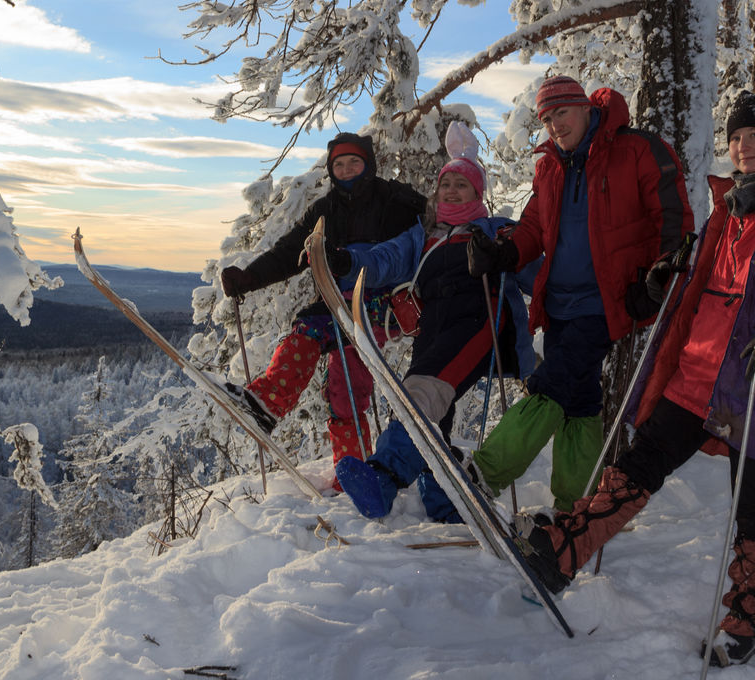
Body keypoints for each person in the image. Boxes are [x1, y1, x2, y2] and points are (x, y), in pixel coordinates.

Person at [516, 91, 755, 667]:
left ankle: (748, 619)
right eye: (736, 138)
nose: (743, 146)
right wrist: (667, 279)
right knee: (638, 465)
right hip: (699, 372)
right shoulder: (726, 213)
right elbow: (704, 287)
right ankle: (562, 556)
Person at [465, 75, 694, 511]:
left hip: (608, 301)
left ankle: (485, 474)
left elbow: (672, 216)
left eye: (561, 113)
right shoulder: (550, 164)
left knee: (552, 383)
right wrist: (503, 253)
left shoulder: (636, 150)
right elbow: (534, 226)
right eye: (546, 119)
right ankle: (576, 504)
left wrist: (660, 276)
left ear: (586, 107)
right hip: (559, 303)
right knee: (580, 398)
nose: (554, 126)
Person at [329, 122, 536, 522]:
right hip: (432, 328)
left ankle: (384, 479)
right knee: (425, 405)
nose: (452, 191)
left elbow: (533, 265)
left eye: (463, 185)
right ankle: (446, 498)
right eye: (446, 185)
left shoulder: (494, 229)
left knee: (421, 395)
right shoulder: (425, 235)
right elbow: (384, 258)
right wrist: (349, 262)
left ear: (479, 194)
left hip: (478, 321)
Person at [220, 133, 425, 479]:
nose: (346, 170)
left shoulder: (395, 203)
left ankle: (268, 403)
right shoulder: (324, 211)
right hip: (335, 304)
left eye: (354, 162)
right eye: (339, 165)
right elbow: (288, 253)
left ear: (369, 165)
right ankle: (354, 473)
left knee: (312, 331)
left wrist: (349, 262)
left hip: (379, 305)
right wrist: (249, 278)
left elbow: (401, 255)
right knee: (344, 387)